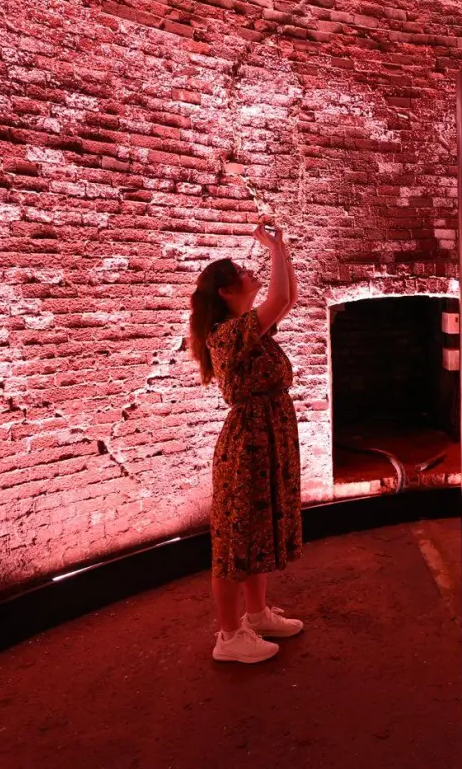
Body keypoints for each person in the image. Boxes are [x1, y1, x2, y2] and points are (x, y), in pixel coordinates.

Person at [187, 224, 307, 663]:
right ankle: (229, 636)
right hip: (248, 445)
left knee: (258, 531)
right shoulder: (226, 333)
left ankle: (256, 616)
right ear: (225, 292)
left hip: (267, 437)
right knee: (235, 540)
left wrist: (283, 249)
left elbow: (287, 299)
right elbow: (278, 298)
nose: (248, 271)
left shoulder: (250, 329)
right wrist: (273, 247)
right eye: (240, 271)